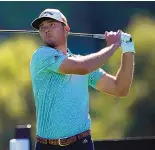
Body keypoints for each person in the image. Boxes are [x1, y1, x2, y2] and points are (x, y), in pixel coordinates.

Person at [29, 8, 135, 150]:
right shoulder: (42, 56)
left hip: (81, 144)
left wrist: (128, 49)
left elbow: (120, 88)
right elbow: (83, 67)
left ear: (66, 29)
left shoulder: (81, 61)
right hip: (47, 145)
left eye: (52, 25)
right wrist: (114, 45)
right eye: (42, 27)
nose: (47, 30)